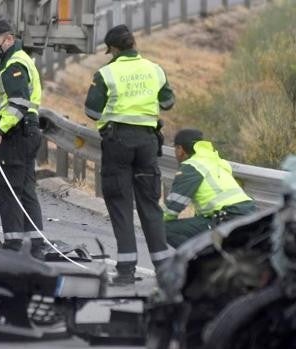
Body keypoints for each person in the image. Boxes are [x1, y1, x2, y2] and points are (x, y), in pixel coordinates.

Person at [84, 24, 175, 285]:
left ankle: (125, 271)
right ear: (134, 44)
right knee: (150, 204)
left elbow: (92, 111)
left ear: (112, 48)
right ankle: (164, 270)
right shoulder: (155, 69)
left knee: (120, 203)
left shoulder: (106, 73)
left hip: (118, 143)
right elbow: (168, 102)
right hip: (148, 143)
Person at [0, 19, 44, 256]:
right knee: (26, 189)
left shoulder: (14, 65)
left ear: (8, 39)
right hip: (28, 131)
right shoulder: (20, 60)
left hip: (16, 134)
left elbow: (19, 102)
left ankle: (13, 246)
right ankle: (35, 246)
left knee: (9, 191)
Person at [163, 129, 257, 247]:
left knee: (163, 229)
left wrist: (157, 222)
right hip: (248, 214)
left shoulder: (192, 166)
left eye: (175, 149)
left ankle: (196, 261)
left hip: (228, 218)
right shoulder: (217, 162)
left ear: (180, 149)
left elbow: (173, 207)